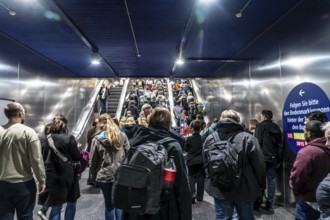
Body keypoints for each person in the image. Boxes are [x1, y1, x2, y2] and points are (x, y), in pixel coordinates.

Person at [121, 107, 192, 220]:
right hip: (164, 209)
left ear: (150, 121)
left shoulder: (136, 143)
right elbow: (181, 186)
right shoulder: (173, 146)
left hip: (137, 208)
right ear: (168, 123)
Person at [203, 109, 266, 220]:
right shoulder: (248, 138)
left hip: (220, 188)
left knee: (222, 217)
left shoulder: (210, 138)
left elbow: (206, 163)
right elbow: (259, 166)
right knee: (246, 217)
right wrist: (260, 187)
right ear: (238, 121)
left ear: (221, 120)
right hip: (244, 188)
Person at [0, 102, 46, 220]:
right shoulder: (29, 132)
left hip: (2, 184)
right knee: (25, 216)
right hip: (24, 184)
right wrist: (41, 180)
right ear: (20, 114)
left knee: (4, 216)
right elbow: (36, 160)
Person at [38, 114, 81, 220]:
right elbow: (77, 157)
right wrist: (78, 148)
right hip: (67, 174)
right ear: (64, 126)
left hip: (49, 174)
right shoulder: (69, 138)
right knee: (71, 202)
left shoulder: (43, 138)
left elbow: (40, 156)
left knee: (56, 205)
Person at [89, 114, 130, 220]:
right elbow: (129, 154)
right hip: (121, 174)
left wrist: (93, 176)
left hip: (104, 175)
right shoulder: (122, 135)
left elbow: (93, 160)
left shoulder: (96, 139)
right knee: (119, 204)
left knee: (109, 205)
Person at [290, 120, 330, 220]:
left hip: (308, 202)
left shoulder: (307, 152)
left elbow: (296, 179)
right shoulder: (325, 148)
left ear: (308, 133)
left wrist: (298, 192)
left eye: (304, 131)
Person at [254, 110, 282, 211]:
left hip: (262, 158)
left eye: (261, 116)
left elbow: (257, 142)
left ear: (265, 116)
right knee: (271, 181)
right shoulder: (276, 127)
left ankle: (258, 202)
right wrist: (278, 159)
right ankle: (270, 203)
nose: (260, 117)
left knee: (259, 180)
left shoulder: (260, 126)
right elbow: (280, 144)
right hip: (273, 158)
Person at [184, 120, 204, 204]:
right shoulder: (202, 138)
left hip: (191, 161)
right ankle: (200, 197)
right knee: (200, 178)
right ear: (200, 129)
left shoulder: (189, 138)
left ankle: (192, 194)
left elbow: (185, 149)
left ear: (192, 128)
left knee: (191, 177)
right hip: (201, 161)